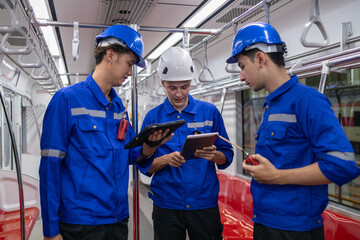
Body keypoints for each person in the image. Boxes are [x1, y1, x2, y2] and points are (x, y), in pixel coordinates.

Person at [226, 22, 360, 240]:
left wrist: (277, 176)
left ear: (260, 59)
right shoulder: (272, 105)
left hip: (295, 231)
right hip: (265, 221)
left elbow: (342, 166)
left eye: (242, 67)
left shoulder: (308, 101)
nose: (241, 77)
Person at [39, 25, 172, 240]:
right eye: (129, 64)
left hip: (118, 219)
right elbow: (49, 166)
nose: (130, 72)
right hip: (81, 222)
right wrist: (51, 230)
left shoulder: (119, 107)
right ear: (110, 55)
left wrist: (149, 147)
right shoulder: (66, 100)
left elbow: (128, 153)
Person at [139, 46, 234, 240]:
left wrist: (214, 155)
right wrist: (165, 159)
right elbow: (145, 165)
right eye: (172, 88)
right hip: (167, 204)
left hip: (204, 203)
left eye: (185, 86)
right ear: (163, 83)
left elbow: (228, 155)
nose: (179, 94)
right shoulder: (153, 118)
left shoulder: (209, 113)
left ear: (191, 82)